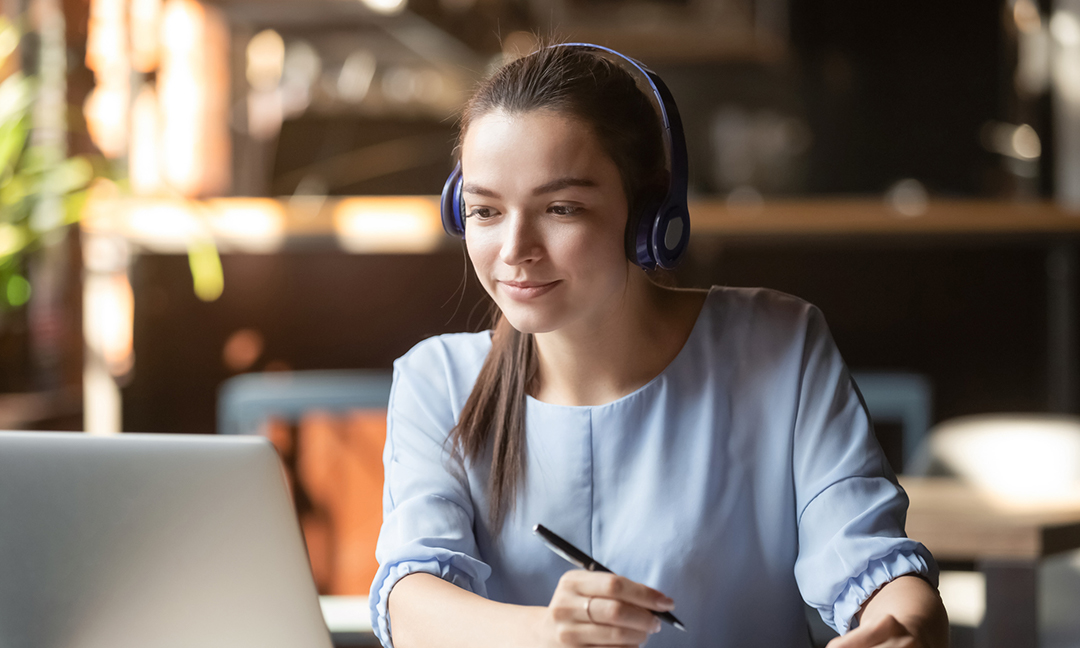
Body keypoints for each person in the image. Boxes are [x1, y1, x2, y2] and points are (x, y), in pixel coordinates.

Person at [369, 43, 948, 648]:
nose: (515, 248)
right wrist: (549, 633)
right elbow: (411, 600)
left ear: (650, 213)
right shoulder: (436, 380)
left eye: (562, 208)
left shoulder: (778, 345)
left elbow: (872, 562)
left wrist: (907, 628)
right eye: (485, 211)